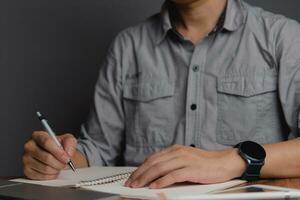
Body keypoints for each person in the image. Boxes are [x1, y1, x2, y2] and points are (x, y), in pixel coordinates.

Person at [23, 0, 300, 189]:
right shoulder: (127, 47)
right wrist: (55, 159)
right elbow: (98, 150)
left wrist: (232, 160)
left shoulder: (283, 38)